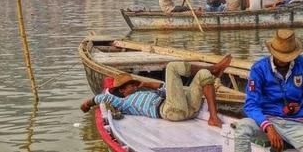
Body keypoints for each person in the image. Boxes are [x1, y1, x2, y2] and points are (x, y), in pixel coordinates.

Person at [234, 29, 303, 152]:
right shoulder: (259, 68)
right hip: (264, 120)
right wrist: (268, 127)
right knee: (242, 128)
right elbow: (250, 105)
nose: (283, 59)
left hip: (293, 123)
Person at [81, 55, 233, 128]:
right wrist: (87, 104)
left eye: (134, 84)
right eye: (130, 86)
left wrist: (146, 84)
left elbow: (167, 88)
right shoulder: (124, 103)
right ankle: (213, 69)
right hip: (170, 111)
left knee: (203, 75)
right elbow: (104, 98)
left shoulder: (147, 93)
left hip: (188, 109)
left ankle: (213, 117)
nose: (134, 86)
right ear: (122, 90)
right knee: (171, 67)